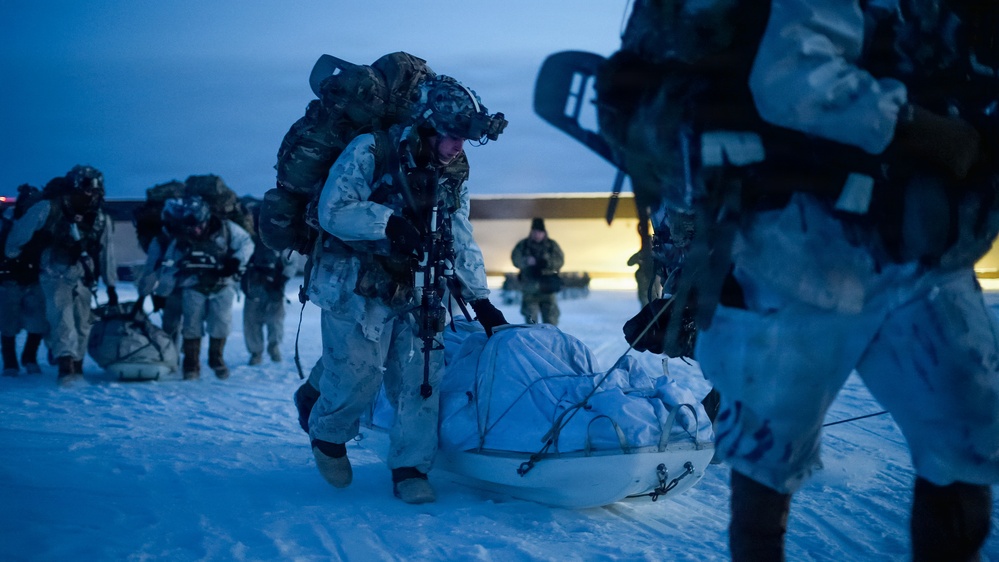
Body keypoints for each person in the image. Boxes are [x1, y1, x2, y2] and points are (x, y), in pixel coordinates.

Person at [609, 1, 998, 559]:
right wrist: (925, 130)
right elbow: (791, 75)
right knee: (766, 461)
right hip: (797, 252)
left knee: (967, 444)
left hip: (924, 255)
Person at [306, 75, 508, 504]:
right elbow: (333, 210)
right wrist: (389, 223)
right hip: (357, 282)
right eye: (452, 136)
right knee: (359, 375)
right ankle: (327, 435)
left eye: (465, 139)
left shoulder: (453, 171)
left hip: (419, 285)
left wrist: (481, 300)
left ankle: (411, 467)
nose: (458, 147)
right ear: (427, 127)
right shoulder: (371, 150)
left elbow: (459, 231)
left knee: (422, 377)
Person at [4, 166, 118, 384]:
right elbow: (16, 240)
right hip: (53, 271)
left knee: (83, 323)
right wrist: (24, 259)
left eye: (96, 192)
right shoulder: (47, 209)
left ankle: (77, 365)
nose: (92, 196)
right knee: (61, 319)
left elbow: (107, 254)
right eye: (87, 190)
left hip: (83, 274)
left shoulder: (100, 219)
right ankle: (66, 369)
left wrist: (111, 285)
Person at [148, 195, 254, 380]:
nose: (196, 230)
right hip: (192, 285)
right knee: (191, 326)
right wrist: (161, 293)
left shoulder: (227, 229)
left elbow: (247, 243)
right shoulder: (181, 238)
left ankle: (216, 359)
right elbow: (169, 265)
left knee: (221, 324)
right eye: (191, 227)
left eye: (199, 226)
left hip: (222, 284)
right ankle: (191, 364)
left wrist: (236, 261)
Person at [240, 200, 297, 365]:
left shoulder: (279, 237)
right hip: (254, 283)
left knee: (275, 320)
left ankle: (274, 347)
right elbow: (240, 258)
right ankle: (256, 353)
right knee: (252, 321)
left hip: (274, 285)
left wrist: (283, 279)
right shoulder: (248, 238)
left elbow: (290, 261)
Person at [0, 184, 48, 377]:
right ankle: (10, 362)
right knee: (8, 323)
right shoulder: (6, 222)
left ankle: (29, 357)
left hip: (33, 277)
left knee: (38, 321)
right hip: (9, 278)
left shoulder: (41, 222)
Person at [510, 218, 564, 325]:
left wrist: (546, 262)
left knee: (551, 322)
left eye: (540, 232)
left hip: (548, 288)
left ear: (544, 233)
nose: (537, 235)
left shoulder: (551, 245)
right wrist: (526, 261)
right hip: (529, 289)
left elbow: (560, 261)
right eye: (535, 232)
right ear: (531, 232)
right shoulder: (523, 245)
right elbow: (515, 259)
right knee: (531, 322)